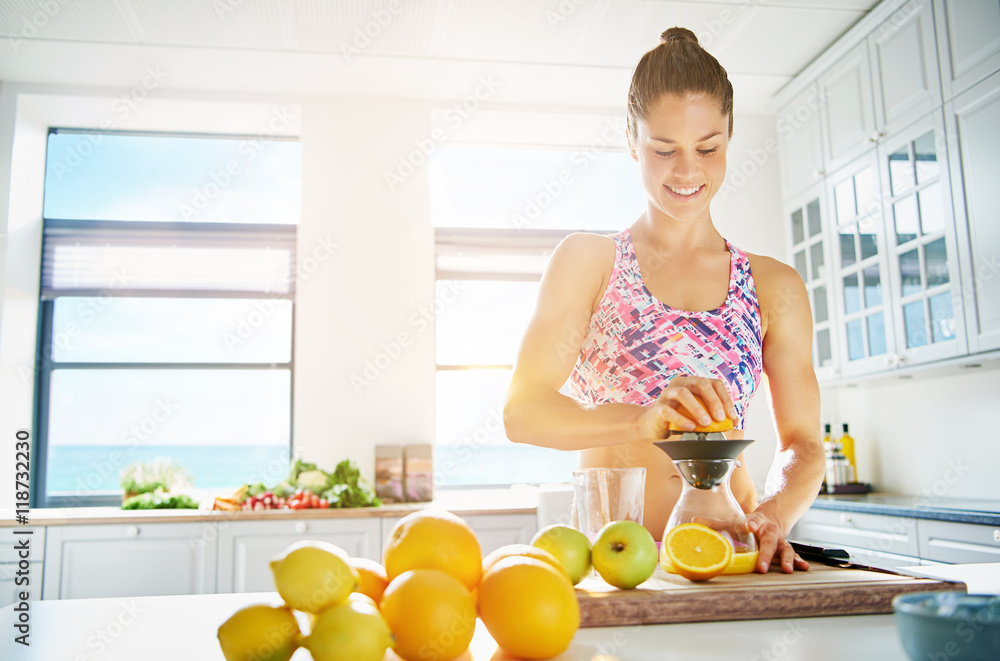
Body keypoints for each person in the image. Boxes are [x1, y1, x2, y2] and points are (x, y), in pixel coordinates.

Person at [503, 27, 825, 574]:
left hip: (731, 557)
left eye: (708, 147)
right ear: (632, 142)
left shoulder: (774, 285)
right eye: (663, 149)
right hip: (615, 566)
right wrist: (641, 420)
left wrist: (773, 514)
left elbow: (803, 445)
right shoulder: (590, 262)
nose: (688, 171)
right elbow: (523, 412)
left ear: (728, 139)